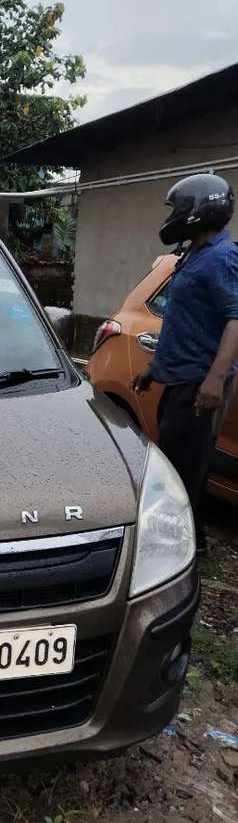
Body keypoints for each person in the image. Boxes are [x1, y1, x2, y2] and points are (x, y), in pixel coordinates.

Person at [134, 173, 238, 554]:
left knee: (181, 472)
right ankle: (195, 542)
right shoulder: (195, 255)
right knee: (180, 467)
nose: (173, 215)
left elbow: (235, 318)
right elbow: (186, 324)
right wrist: (155, 369)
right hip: (180, 380)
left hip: (199, 385)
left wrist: (214, 380)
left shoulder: (223, 258)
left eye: (178, 208)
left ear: (197, 211)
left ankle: (178, 553)